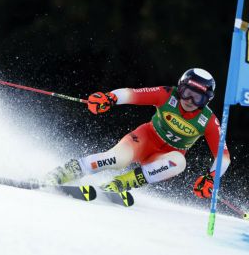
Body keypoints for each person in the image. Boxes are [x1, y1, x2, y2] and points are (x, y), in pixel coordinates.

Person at [44, 68, 231, 199]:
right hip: (144, 139)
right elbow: (133, 94)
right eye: (186, 92)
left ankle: (120, 184)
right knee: (116, 159)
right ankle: (66, 171)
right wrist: (110, 98)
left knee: (179, 162)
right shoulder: (167, 94)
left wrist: (211, 178)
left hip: (163, 157)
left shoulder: (208, 121)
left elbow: (224, 157)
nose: (189, 100)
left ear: (206, 100)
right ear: (179, 88)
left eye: (197, 97)